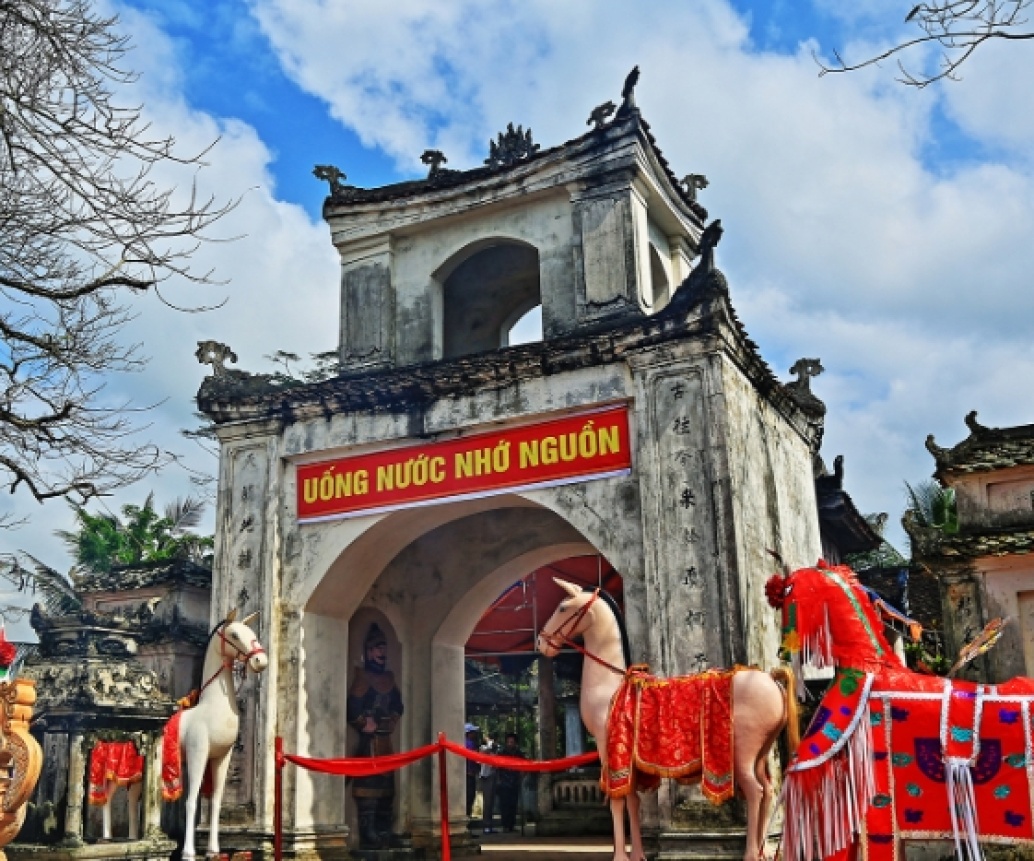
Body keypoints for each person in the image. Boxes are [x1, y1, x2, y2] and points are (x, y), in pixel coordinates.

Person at [347, 623, 404, 850]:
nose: (382, 653)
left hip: (385, 742)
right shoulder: (362, 678)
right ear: (369, 652)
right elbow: (352, 709)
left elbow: (399, 705)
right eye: (378, 648)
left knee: (387, 788)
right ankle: (368, 832)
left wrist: (392, 718)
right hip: (368, 744)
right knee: (368, 788)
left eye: (384, 648)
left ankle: (384, 831)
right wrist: (364, 722)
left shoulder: (389, 679)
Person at [496, 732, 524, 832]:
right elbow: (497, 767)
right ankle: (505, 825)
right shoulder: (502, 752)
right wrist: (499, 779)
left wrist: (521, 775)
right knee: (504, 805)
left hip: (515, 781)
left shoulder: (518, 753)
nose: (510, 744)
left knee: (513, 804)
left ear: (515, 743)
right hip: (504, 782)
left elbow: (523, 765)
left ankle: (511, 825)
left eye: (512, 742)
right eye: (508, 742)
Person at [479, 735, 497, 832]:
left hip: (493, 776)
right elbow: (486, 751)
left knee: (491, 803)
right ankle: (486, 825)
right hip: (486, 777)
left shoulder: (494, 750)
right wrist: (489, 742)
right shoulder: (483, 748)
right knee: (487, 802)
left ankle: (490, 825)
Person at [464, 724, 479, 818]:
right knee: (470, 797)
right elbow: (472, 758)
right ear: (468, 733)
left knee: (469, 797)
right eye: (473, 732)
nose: (475, 734)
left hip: (468, 773)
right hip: (469, 774)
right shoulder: (469, 743)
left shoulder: (466, 743)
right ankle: (467, 817)